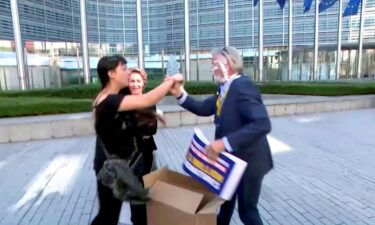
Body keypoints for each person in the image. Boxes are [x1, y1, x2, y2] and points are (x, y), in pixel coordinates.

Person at [170, 46, 273, 225]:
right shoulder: (225, 87)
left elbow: (262, 123)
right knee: (225, 205)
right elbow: (204, 108)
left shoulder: (243, 85)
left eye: (215, 64)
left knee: (247, 211)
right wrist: (180, 94)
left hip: (249, 163)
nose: (212, 68)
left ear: (230, 64)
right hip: (231, 163)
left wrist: (224, 143)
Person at [91, 55, 182, 225]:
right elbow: (148, 99)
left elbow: (137, 117)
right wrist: (171, 81)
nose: (128, 74)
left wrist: (150, 115)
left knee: (114, 213)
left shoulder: (112, 96)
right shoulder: (110, 99)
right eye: (123, 69)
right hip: (113, 167)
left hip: (121, 164)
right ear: (111, 74)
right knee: (108, 216)